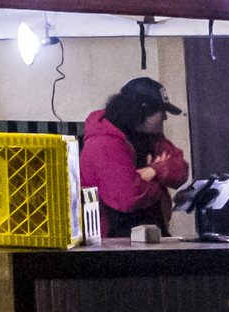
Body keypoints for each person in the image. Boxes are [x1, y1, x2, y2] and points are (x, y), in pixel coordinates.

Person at [77, 75, 186, 235]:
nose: (165, 117)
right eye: (161, 111)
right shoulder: (103, 142)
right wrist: (159, 183)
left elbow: (181, 169)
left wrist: (152, 171)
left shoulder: (151, 136)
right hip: (113, 240)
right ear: (144, 110)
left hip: (153, 234)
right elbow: (128, 198)